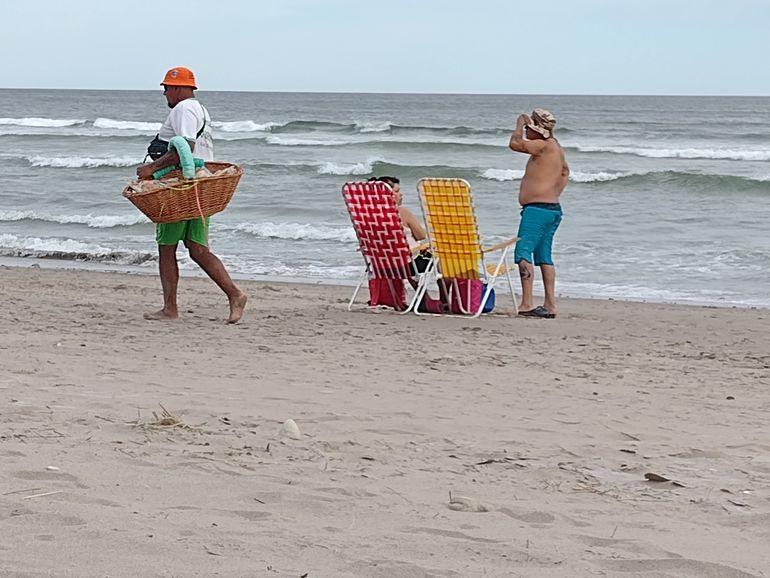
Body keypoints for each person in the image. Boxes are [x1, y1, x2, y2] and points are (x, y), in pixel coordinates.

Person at [136, 67, 247, 323]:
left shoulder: (183, 109)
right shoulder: (201, 110)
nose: (165, 93)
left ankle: (170, 309)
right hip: (201, 183)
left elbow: (185, 147)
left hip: (180, 185)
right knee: (197, 249)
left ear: (178, 88)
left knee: (166, 247)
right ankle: (235, 294)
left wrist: (151, 168)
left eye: (166, 88)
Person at [508, 108, 569, 318]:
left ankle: (526, 303)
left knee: (523, 252)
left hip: (537, 210)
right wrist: (554, 192)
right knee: (544, 256)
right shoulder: (556, 147)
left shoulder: (542, 146)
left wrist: (518, 126)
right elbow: (565, 172)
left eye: (529, 129)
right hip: (552, 208)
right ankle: (550, 304)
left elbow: (515, 144)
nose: (527, 132)